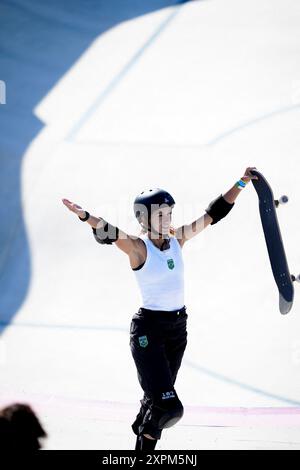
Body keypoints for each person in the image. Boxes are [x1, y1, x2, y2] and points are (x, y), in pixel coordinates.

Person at [62, 167, 258, 450]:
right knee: (169, 409)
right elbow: (109, 230)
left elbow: (213, 214)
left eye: (169, 213)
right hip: (148, 331)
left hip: (178, 329)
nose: (168, 219)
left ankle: (144, 431)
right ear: (145, 219)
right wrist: (84, 215)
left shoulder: (178, 239)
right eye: (161, 215)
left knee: (157, 408)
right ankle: (147, 419)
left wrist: (241, 182)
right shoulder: (138, 248)